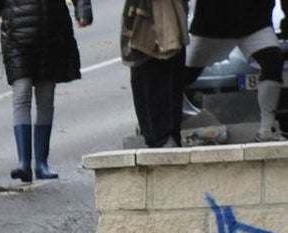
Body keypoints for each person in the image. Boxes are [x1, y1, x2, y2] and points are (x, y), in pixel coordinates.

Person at [0, 0, 93, 183]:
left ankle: (41, 163)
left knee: (45, 99)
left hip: (52, 36)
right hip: (17, 39)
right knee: (21, 95)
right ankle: (24, 163)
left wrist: (83, 12)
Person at [183, 0, 288, 142]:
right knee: (184, 75)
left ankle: (266, 129)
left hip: (253, 22)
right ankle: (166, 125)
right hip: (214, 25)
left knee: (273, 61)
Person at [121, 0, 190, 148]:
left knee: (160, 81)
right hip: (149, 23)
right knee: (150, 79)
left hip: (162, 22)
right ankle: (162, 139)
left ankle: (164, 139)